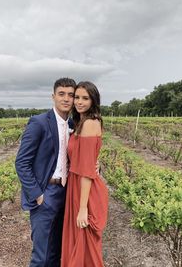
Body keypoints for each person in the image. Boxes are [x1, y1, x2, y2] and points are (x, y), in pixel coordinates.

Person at [15, 78, 76, 267]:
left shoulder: (74, 124)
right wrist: (38, 194)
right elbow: (22, 162)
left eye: (71, 95)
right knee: (41, 254)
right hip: (46, 193)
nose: (66, 99)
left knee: (57, 250)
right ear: (53, 96)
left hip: (66, 193)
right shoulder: (39, 123)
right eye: (61, 94)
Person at [61, 81, 108, 267]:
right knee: (78, 241)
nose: (79, 102)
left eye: (85, 98)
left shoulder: (89, 123)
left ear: (93, 100)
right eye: (77, 97)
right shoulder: (81, 122)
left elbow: (87, 170)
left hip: (84, 189)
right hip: (77, 184)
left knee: (85, 243)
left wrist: (83, 208)